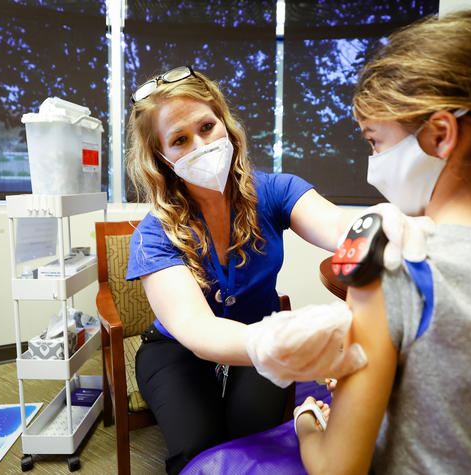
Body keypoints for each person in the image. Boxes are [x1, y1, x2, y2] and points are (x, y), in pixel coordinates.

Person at [294, 8, 471, 474]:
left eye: (374, 142)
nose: (371, 162)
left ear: (441, 134)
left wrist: (309, 418)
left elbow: (335, 468)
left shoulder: (395, 266)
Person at [124, 67, 365, 474]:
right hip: (176, 350)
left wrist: (385, 231)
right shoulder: (153, 236)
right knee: (197, 449)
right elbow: (198, 331)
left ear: (226, 125)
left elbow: (341, 230)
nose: (201, 145)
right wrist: (287, 342)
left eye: (206, 126)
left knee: (253, 437)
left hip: (261, 332)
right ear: (162, 159)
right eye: (180, 140)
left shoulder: (276, 190)